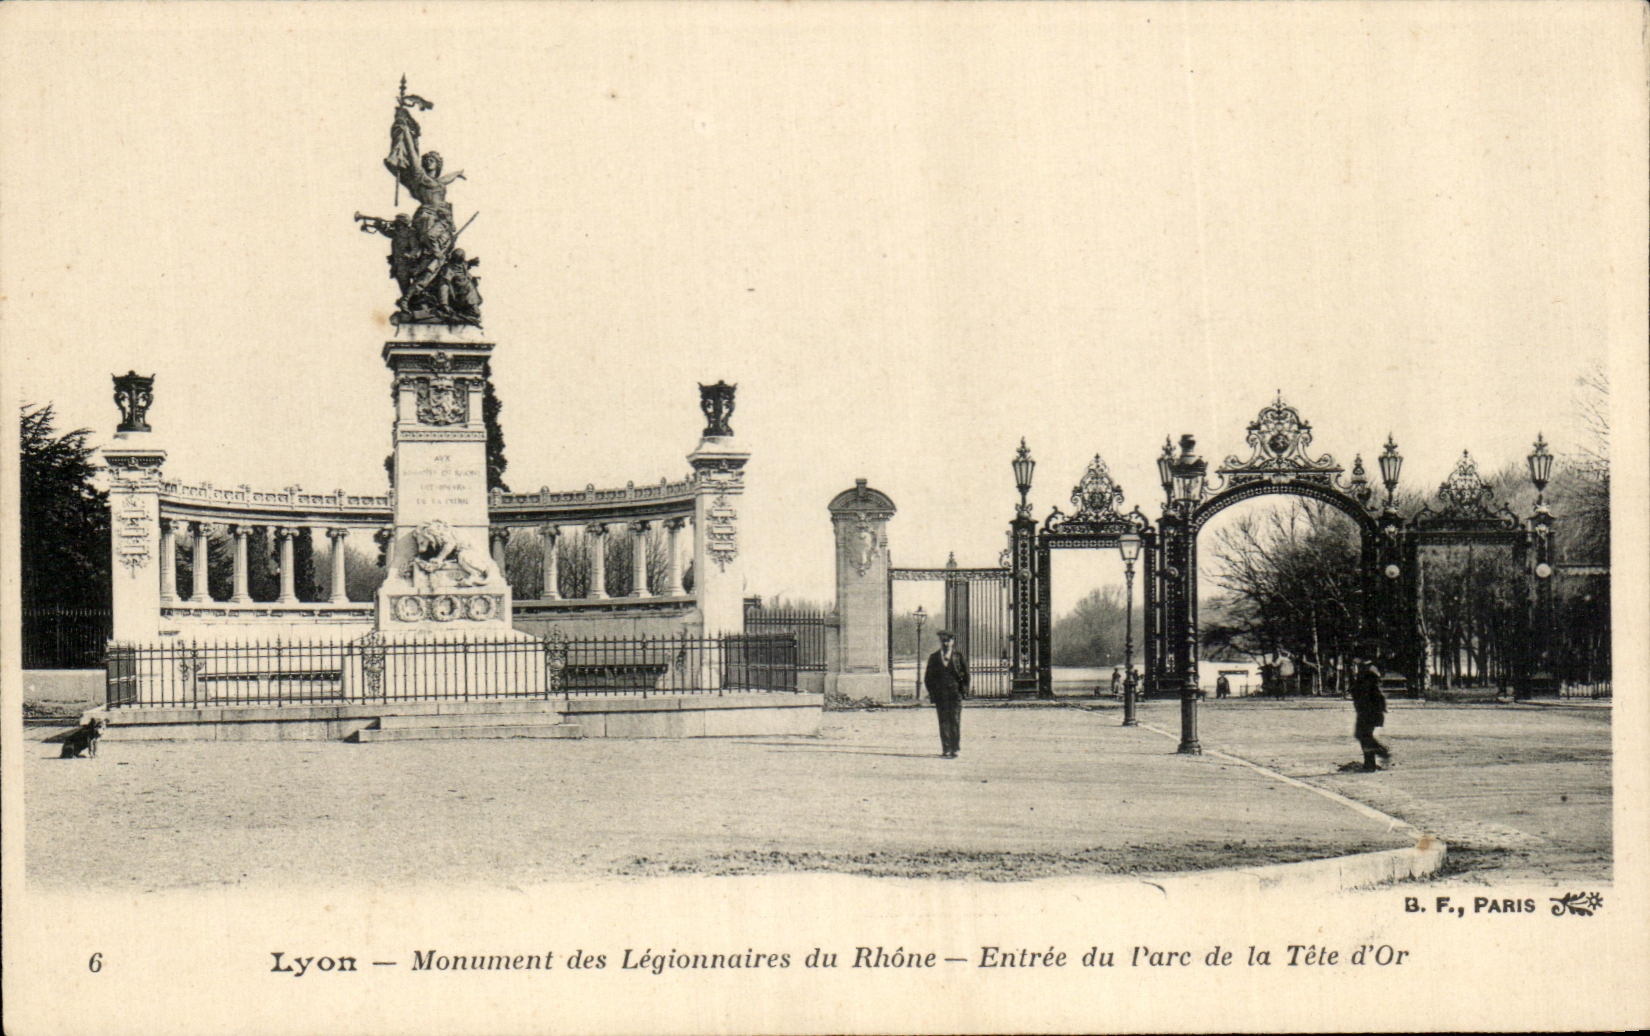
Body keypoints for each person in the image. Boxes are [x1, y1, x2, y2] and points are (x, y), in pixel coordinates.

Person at [923, 630, 970, 758]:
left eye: (948, 640)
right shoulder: (934, 658)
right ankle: (946, 748)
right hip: (941, 695)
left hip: (955, 694)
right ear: (940, 642)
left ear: (952, 642)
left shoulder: (958, 657)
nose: (946, 643)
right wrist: (933, 693)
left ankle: (955, 748)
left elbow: (966, 675)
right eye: (943, 640)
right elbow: (928, 678)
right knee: (943, 721)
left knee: (955, 720)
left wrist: (963, 691)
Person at [1349, 657, 1392, 772]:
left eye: (1355, 665)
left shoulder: (1365, 678)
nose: (1353, 667)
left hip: (1369, 712)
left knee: (1363, 735)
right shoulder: (1364, 677)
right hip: (1367, 712)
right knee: (1364, 736)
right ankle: (1370, 763)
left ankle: (1379, 754)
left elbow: (1367, 696)